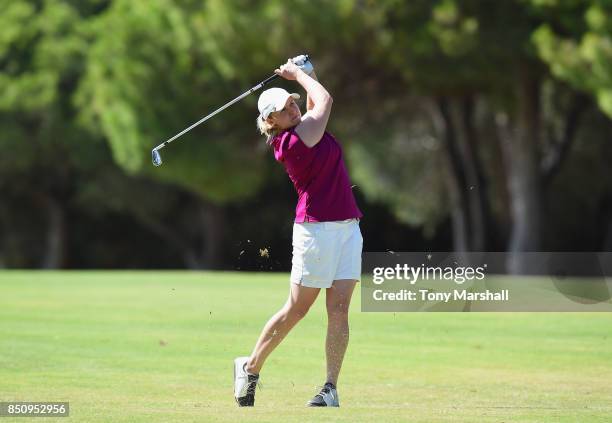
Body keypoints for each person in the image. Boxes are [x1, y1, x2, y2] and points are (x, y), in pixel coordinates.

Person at [233, 56, 363, 408]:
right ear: (270, 120)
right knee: (298, 309)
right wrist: (298, 76)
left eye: (291, 102)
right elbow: (324, 101)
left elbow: (312, 103)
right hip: (315, 231)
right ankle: (250, 366)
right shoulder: (289, 144)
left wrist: (307, 73)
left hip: (348, 228)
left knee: (339, 310)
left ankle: (330, 388)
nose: (292, 108)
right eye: (283, 107)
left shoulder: (305, 127)